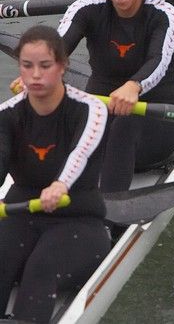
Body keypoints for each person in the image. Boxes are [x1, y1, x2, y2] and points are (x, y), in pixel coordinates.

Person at [56, 0, 174, 192]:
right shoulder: (86, 9)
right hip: (103, 115)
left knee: (124, 126)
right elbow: (57, 49)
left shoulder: (163, 14)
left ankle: (107, 219)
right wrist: (38, 72)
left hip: (156, 126)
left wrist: (134, 85)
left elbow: (158, 61)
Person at [0, 25, 110, 324]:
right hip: (20, 215)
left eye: (45, 66)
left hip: (80, 221)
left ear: (63, 66)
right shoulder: (7, 114)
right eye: (27, 66)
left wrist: (60, 185)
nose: (35, 75)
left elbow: (80, 153)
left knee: (41, 267)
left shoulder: (90, 109)